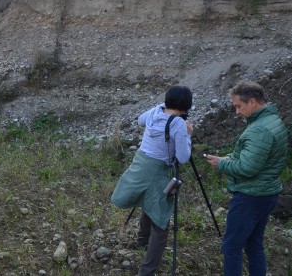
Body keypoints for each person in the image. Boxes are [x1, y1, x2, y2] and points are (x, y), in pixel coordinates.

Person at [206, 80, 288, 276]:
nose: (236, 112)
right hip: (267, 192)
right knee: (254, 245)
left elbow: (248, 168)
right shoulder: (272, 119)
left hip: (251, 195)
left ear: (252, 102)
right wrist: (231, 157)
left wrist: (222, 163)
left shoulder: (259, 129)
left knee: (231, 247)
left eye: (238, 106)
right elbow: (258, 157)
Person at [111, 85, 193, 276]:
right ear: (186, 106)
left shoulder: (156, 111)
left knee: (148, 203)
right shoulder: (179, 124)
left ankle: (142, 241)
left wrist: (163, 109)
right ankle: (147, 271)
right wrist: (188, 135)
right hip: (158, 171)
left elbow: (140, 120)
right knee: (161, 220)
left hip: (140, 164)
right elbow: (182, 158)